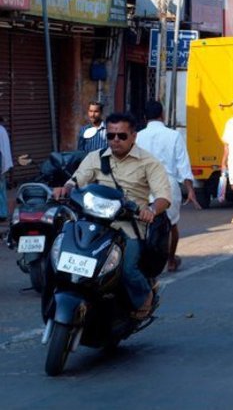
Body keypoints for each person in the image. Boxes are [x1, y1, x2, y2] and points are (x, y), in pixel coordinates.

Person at [53, 112, 172, 319]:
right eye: (111, 136)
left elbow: (163, 196)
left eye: (122, 136)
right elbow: (77, 180)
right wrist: (66, 188)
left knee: (128, 268)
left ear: (133, 136)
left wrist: (151, 210)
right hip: (94, 221)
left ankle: (144, 296)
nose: (115, 140)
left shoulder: (149, 162)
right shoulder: (95, 158)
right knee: (63, 252)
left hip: (129, 226)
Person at [136, 101, 201, 272]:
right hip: (168, 183)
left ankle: (142, 260)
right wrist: (190, 190)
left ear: (144, 117)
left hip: (143, 183)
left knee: (141, 223)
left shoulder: (138, 136)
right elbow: (183, 164)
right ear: (162, 115)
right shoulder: (173, 135)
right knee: (171, 224)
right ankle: (171, 260)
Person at [0, 119, 11, 220]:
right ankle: (3, 213)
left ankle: (2, 213)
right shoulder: (2, 130)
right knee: (1, 189)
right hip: (2, 162)